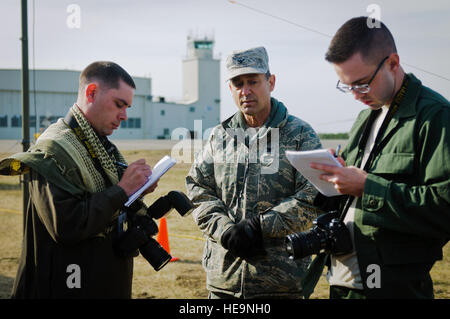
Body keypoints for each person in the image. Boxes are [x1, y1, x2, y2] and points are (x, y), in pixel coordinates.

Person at [307, 17, 450, 299]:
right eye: (346, 86)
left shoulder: (435, 117)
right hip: (344, 284)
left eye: (361, 84)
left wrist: (367, 187)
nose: (356, 96)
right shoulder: (365, 117)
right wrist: (333, 179)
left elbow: (444, 207)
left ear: (393, 63)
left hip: (394, 289)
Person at [0, 61, 158, 298]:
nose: (124, 116)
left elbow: (106, 203)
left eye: (128, 107)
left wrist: (136, 191)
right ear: (91, 92)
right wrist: (124, 189)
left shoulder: (104, 148)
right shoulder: (52, 151)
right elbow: (66, 226)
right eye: (119, 104)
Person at [186, 46, 323, 298]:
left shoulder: (301, 134)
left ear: (271, 82)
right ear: (230, 89)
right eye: (237, 83)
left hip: (280, 283)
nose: (245, 91)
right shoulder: (220, 135)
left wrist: (258, 227)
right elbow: (198, 189)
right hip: (223, 280)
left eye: (253, 81)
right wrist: (225, 230)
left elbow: (314, 200)